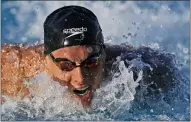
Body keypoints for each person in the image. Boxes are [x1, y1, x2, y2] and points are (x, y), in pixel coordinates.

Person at [1, 5, 178, 107]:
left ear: (104, 54)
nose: (80, 79)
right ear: (46, 59)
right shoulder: (14, 72)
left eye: (91, 62)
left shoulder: (142, 70)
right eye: (66, 65)